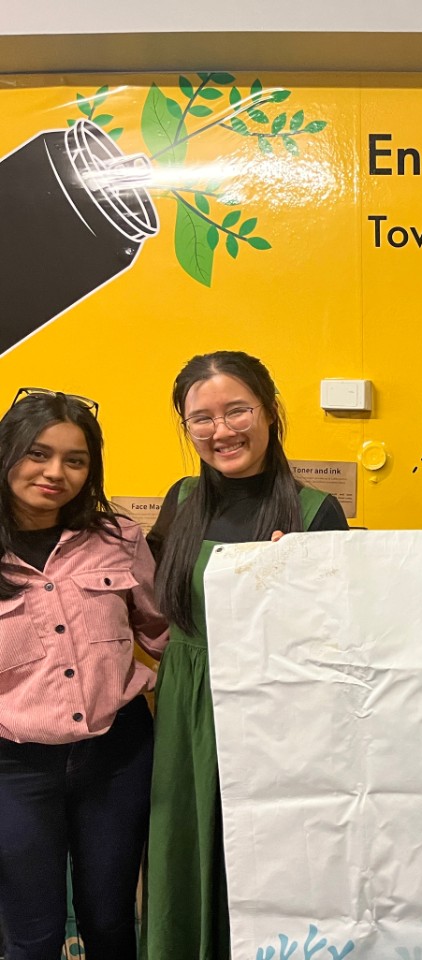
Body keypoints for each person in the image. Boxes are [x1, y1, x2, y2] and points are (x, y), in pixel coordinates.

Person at [141, 352, 348, 960]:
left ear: (270, 411)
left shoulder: (315, 511)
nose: (221, 430)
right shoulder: (180, 499)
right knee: (185, 847)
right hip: (185, 704)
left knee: (265, 858)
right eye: (201, 418)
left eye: (237, 411)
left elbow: (340, 633)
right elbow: (146, 601)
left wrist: (294, 583)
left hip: (274, 709)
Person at [0, 388, 167, 960]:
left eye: (75, 460)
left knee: (112, 921)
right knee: (32, 934)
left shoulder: (119, 538)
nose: (56, 473)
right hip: (14, 767)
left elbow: (164, 632)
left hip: (117, 756)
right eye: (38, 453)